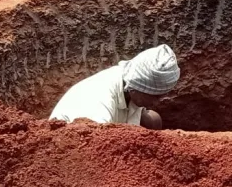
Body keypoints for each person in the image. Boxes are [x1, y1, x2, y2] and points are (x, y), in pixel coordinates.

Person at [49, 45, 180, 130]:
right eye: (155, 96)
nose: (158, 101)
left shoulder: (129, 81)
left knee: (153, 120)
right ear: (137, 88)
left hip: (109, 129)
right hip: (74, 148)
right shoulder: (97, 105)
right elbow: (93, 152)